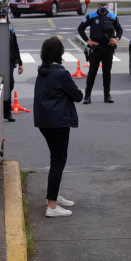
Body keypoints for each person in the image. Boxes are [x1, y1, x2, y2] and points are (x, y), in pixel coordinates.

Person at [33, 36, 83, 218]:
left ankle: (52, 198)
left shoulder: (43, 71)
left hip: (44, 121)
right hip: (58, 122)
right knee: (58, 161)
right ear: (60, 53)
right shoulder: (61, 73)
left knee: (56, 159)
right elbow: (78, 96)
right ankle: (52, 207)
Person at [78, 3, 124, 104]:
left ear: (108, 5)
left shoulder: (113, 17)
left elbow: (120, 30)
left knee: (107, 73)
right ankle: (87, 96)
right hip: (96, 48)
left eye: (105, 5)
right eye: (100, 5)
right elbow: (80, 28)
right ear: (97, 5)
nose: (103, 7)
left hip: (108, 48)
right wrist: (88, 41)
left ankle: (107, 96)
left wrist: (116, 39)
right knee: (92, 73)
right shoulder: (91, 16)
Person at [0, 11, 24, 121]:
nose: (2, 18)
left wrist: (20, 63)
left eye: (4, 16)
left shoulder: (10, 30)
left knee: (9, 85)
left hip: (9, 62)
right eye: (0, 17)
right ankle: (0, 112)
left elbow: (16, 47)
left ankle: (7, 113)